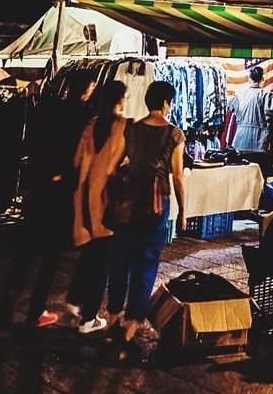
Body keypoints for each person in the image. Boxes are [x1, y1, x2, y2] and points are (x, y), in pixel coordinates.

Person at [0, 69, 98, 329]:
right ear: (87, 89)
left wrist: (30, 182)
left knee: (26, 252)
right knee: (50, 256)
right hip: (60, 193)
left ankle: (6, 308)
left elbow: (32, 146)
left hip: (38, 186)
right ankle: (35, 311)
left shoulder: (50, 109)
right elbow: (77, 160)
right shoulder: (83, 117)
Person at [105, 80, 185, 363]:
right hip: (155, 206)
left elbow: (111, 167)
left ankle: (112, 322)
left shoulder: (132, 128)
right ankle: (128, 335)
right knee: (145, 266)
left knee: (120, 262)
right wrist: (183, 211)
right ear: (165, 103)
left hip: (128, 205)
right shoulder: (174, 134)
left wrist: (127, 183)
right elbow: (177, 176)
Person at [62, 79, 128, 334]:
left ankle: (74, 299)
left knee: (91, 251)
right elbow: (120, 164)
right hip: (106, 200)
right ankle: (89, 318)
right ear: (119, 99)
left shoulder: (91, 125)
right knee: (103, 262)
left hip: (85, 196)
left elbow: (78, 161)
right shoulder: (121, 127)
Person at [228, 65, 273, 173]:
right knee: (258, 179)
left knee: (242, 178)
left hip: (240, 142)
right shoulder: (266, 95)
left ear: (249, 78)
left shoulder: (239, 95)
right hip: (258, 143)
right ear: (262, 79)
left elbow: (231, 107)